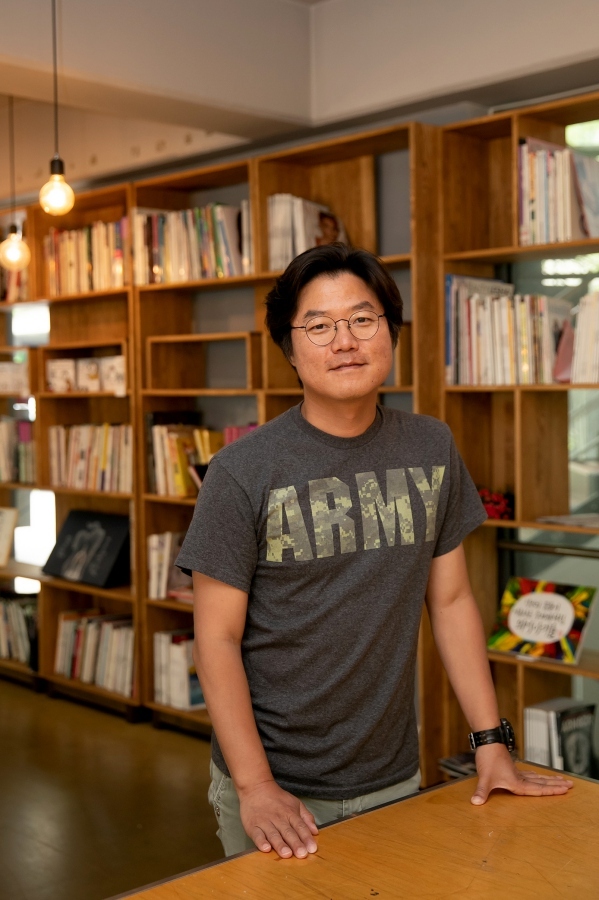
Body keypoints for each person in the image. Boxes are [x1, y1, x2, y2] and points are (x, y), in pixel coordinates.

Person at [176, 244, 572, 861]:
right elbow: (216, 639)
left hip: (393, 774)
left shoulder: (431, 445)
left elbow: (452, 599)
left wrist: (491, 743)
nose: (345, 341)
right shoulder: (240, 472)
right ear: (290, 348)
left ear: (391, 332)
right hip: (277, 788)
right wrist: (255, 787)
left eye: (364, 319)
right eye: (319, 325)